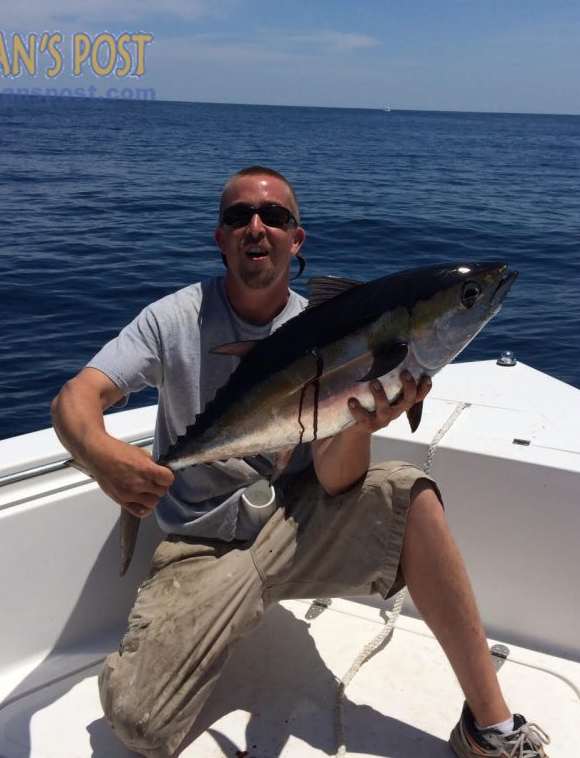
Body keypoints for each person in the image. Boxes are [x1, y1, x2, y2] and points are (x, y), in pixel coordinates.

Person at [50, 167, 550, 758]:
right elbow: (75, 398)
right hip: (203, 544)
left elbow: (338, 479)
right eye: (239, 217)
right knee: (139, 725)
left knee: (412, 495)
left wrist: (361, 423)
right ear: (220, 237)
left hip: (296, 520)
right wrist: (104, 457)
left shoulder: (321, 324)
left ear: (296, 239)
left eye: (274, 218)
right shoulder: (174, 319)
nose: (256, 227)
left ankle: (489, 729)